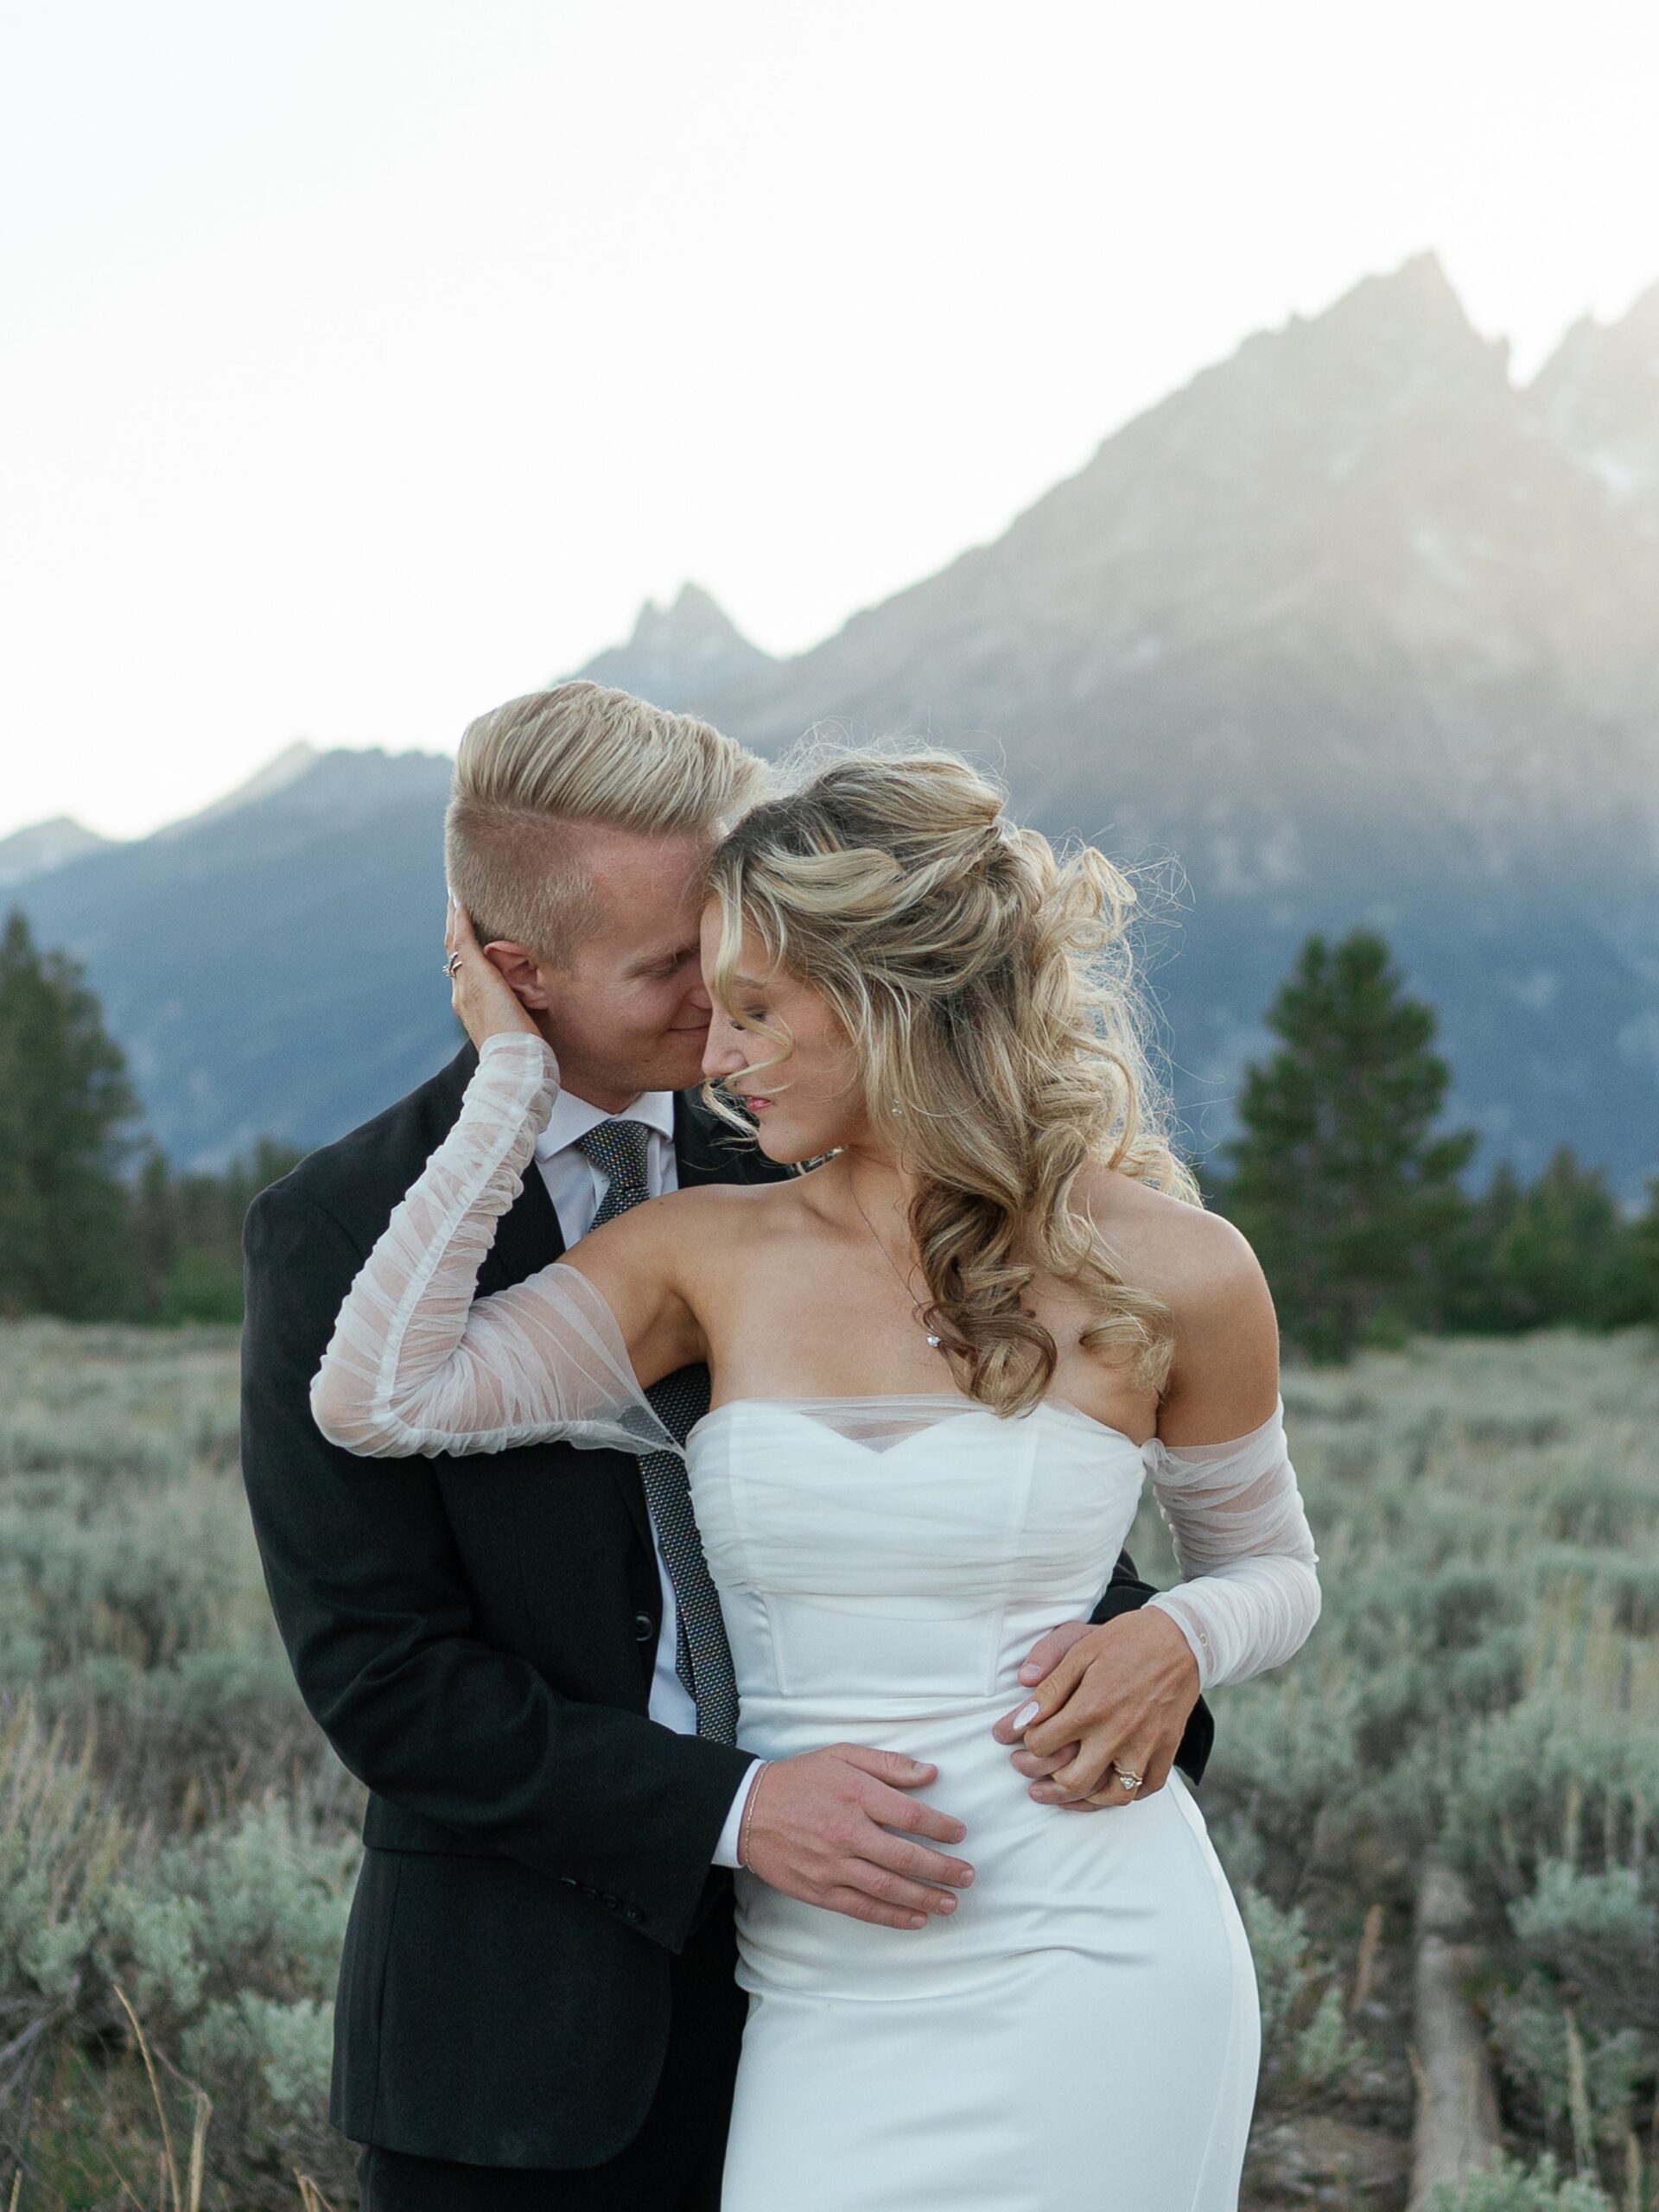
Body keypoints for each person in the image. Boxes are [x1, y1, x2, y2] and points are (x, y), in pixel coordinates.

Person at [240, 686, 1216, 2211]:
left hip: (929, 1940)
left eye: (749, 955)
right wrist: (741, 1812)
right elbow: (383, 1674)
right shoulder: (341, 1236)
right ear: (517, 974)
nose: (730, 999)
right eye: (673, 968)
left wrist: (1161, 1650)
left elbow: (1013, 1487)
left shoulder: (824, 1142)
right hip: (527, 2041)